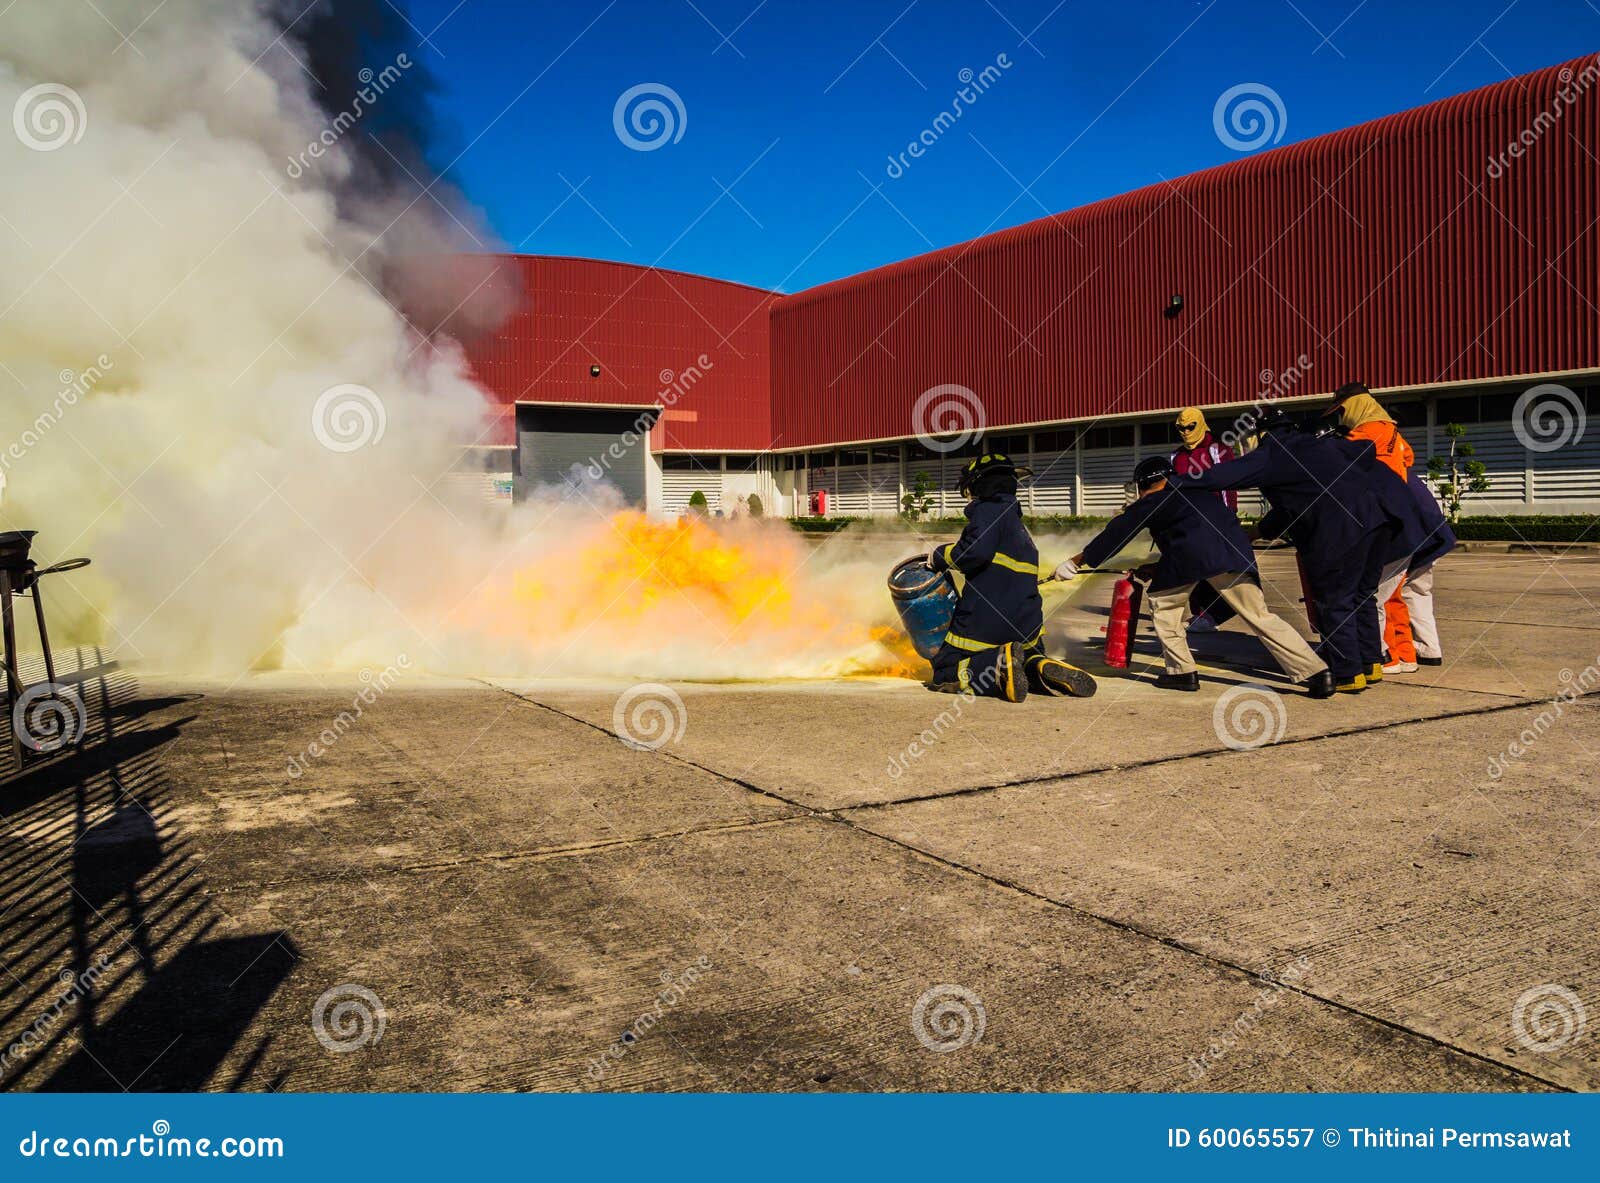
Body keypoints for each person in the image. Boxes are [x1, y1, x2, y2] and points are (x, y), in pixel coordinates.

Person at [1056, 457, 1333, 696]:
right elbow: (1195, 538)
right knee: (1261, 617)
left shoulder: (1156, 498)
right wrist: (1157, 567)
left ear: (1144, 484)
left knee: (1165, 608)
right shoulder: (1198, 492)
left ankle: (1182, 672)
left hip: (1195, 559)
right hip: (1234, 555)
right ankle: (1317, 673)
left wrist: (1076, 562)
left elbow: (1118, 533)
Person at [1167, 406, 1390, 693]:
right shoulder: (1323, 445)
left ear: (1260, 434)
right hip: (1377, 522)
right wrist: (1260, 531)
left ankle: (1348, 674)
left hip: (1337, 530)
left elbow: (1219, 477)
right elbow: (1366, 450)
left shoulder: (1273, 452)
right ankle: (1371, 664)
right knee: (1362, 595)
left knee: (1335, 600)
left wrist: (1174, 482)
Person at [928, 453, 1097, 700]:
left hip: (987, 618)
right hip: (1027, 622)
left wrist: (939, 555)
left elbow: (974, 552)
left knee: (946, 669)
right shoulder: (1015, 524)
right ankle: (1038, 666)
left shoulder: (988, 509)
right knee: (1025, 658)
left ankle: (998, 665)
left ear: (978, 484)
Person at [1323, 382, 1454, 672]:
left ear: (1354, 406)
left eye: (1341, 411)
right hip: (1429, 530)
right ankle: (1419, 651)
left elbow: (1337, 464)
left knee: (1375, 595)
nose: (1341, 418)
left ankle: (1385, 655)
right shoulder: (1393, 435)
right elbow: (1408, 456)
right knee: (1413, 592)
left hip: (1399, 528)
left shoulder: (1365, 437)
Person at [1170, 407, 1237, 633]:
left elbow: (1228, 485)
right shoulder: (1176, 456)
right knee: (1194, 568)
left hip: (1215, 519)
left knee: (1222, 568)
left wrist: (1228, 517)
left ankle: (1228, 609)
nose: (1185, 431)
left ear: (1200, 424)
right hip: (1189, 522)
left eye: (1190, 426)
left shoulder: (1217, 449)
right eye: (1180, 428)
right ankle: (1202, 614)